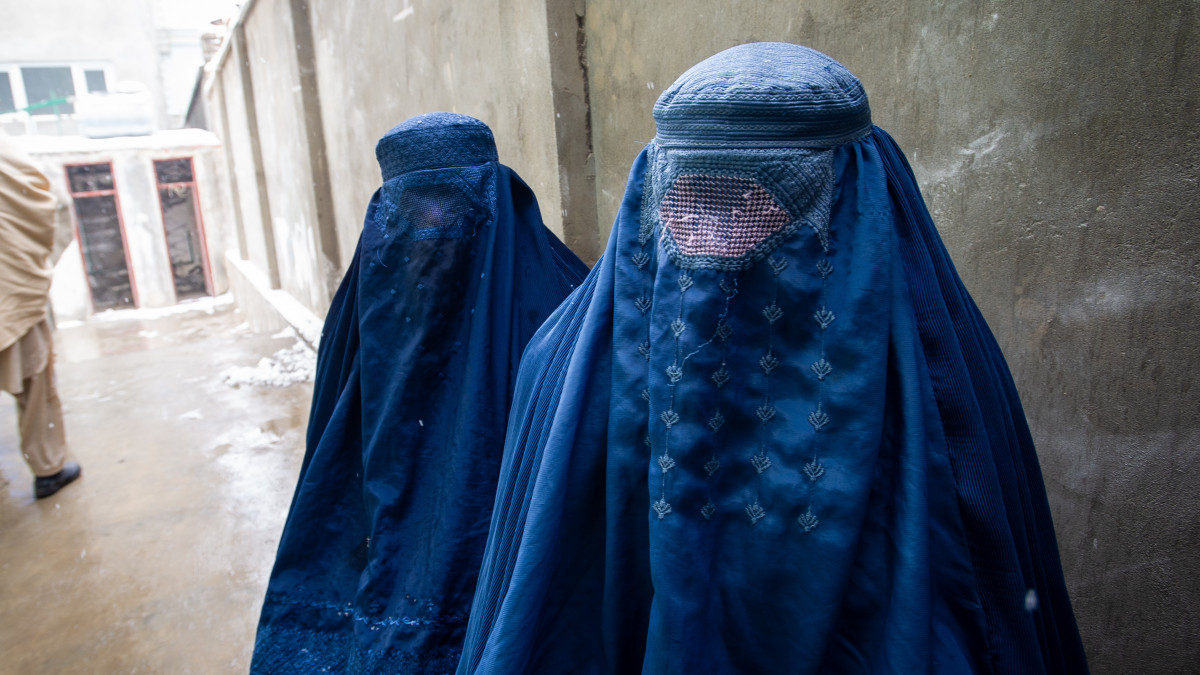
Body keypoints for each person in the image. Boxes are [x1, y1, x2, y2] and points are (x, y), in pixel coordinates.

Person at [457, 43, 1089, 674]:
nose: (709, 241)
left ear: (852, 196)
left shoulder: (942, 388)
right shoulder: (564, 371)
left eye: (752, 205)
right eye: (689, 204)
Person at [251, 113, 588, 673]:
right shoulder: (365, 304)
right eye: (415, 208)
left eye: (452, 204)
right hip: (396, 532)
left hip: (517, 538)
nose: (434, 223)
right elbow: (333, 446)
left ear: (492, 194)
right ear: (387, 210)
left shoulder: (561, 297)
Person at [0, 133, 80, 500]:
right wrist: (36, 260)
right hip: (10, 289)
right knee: (34, 384)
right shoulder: (8, 156)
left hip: (12, 285)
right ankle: (47, 469)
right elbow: (51, 202)